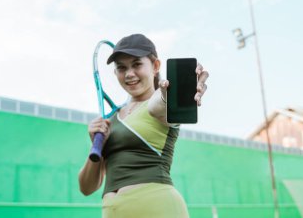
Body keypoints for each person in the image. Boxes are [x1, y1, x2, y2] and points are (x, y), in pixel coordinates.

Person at [78, 33, 209, 218]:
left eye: (137, 64)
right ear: (115, 73)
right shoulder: (111, 120)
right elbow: (86, 188)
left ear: (155, 66)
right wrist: (96, 144)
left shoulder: (157, 102)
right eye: (121, 68)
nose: (129, 74)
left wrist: (180, 91)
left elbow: (161, 103)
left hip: (159, 208)